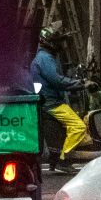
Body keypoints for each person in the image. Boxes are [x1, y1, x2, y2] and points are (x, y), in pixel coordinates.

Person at [31, 26, 90, 173]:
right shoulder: (45, 58)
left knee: (62, 131)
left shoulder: (47, 57)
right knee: (78, 127)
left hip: (49, 101)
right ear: (50, 43)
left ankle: (55, 159)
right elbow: (57, 81)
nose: (61, 45)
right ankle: (64, 160)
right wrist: (81, 84)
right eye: (58, 42)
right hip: (51, 103)